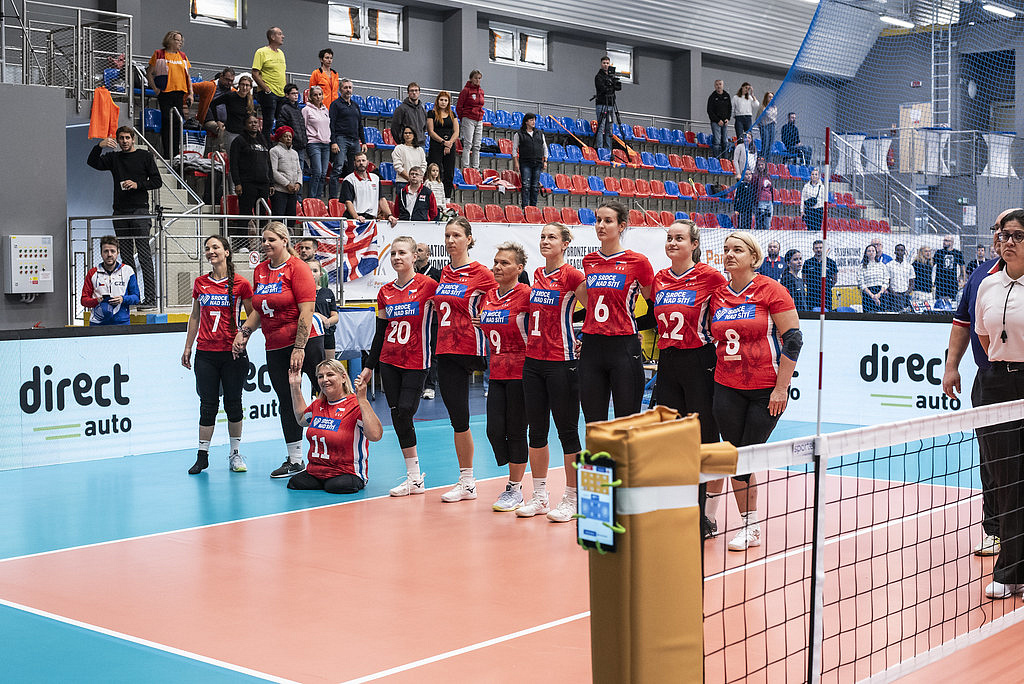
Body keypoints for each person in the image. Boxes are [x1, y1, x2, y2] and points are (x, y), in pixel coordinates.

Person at [708, 231, 800, 551]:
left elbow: (794, 340)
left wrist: (781, 388)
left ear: (754, 257)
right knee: (735, 456)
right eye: (726, 249)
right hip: (726, 385)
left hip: (765, 390)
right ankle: (745, 524)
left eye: (738, 250)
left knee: (745, 456)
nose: (730, 254)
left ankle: (750, 526)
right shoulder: (718, 295)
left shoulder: (771, 289)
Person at [647, 220, 726, 537]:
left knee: (707, 440)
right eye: (669, 238)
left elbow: (727, 312)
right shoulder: (660, 278)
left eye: (679, 238)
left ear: (694, 244)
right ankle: (677, 508)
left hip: (700, 362)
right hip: (668, 362)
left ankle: (707, 515)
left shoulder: (710, 277)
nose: (672, 242)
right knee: (670, 439)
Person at [232, 222, 325, 479]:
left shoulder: (298, 268)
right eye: (263, 240)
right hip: (274, 346)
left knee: (327, 393)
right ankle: (295, 460)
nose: (265, 244)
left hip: (306, 343)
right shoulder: (261, 270)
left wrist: (299, 347)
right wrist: (244, 332)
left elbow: (307, 311)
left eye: (271, 239)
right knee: (286, 400)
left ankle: (337, 450)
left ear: (285, 240)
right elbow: (259, 311)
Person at [943, 222, 1007, 561]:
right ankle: (995, 531)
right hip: (990, 380)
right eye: (998, 230)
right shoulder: (981, 276)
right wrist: (951, 366)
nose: (1002, 237)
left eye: (1012, 232)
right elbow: (962, 323)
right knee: (991, 459)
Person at [516, 223, 586, 520]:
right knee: (536, 431)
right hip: (533, 361)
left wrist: (585, 341)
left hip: (562, 361)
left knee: (567, 432)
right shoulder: (537, 274)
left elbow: (595, 310)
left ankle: (572, 497)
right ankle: (540, 496)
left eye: (552, 237)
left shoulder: (573, 276)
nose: (545, 241)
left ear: (565, 243)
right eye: (543, 237)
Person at [359, 236, 438, 495]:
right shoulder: (385, 292)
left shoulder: (428, 285)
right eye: (393, 253)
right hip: (389, 361)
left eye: (402, 253)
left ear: (414, 256)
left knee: (405, 410)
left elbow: (448, 313)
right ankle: (413, 477)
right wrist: (369, 366)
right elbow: (380, 331)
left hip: (416, 361)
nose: (396, 257)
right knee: (397, 415)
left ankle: (415, 477)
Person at [974, 209, 1024, 598]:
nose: (1009, 242)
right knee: (1005, 481)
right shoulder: (987, 285)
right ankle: (1009, 571)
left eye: (1018, 236)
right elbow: (984, 337)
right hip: (995, 385)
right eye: (1005, 235)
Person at [432, 217, 498, 503]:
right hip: (447, 349)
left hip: (475, 349)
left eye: (456, 235)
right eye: (447, 235)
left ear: (469, 239)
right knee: (458, 418)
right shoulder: (444, 273)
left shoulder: (481, 273)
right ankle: (467, 481)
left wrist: (488, 315)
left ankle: (519, 482)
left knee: (504, 417)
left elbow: (501, 297)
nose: (450, 241)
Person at [577, 201, 653, 445]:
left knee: (627, 425)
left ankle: (628, 471)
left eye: (607, 221)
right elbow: (592, 304)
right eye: (598, 220)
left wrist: (634, 327)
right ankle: (598, 471)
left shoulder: (638, 262)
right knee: (594, 426)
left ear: (621, 226)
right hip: (592, 348)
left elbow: (654, 306)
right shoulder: (589, 261)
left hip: (624, 348)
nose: (600, 225)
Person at [181, 235, 254, 474]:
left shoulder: (241, 284)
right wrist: (188, 346)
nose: (210, 251)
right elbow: (195, 316)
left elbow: (254, 316)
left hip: (232, 355)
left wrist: (243, 336)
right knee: (207, 404)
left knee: (234, 403)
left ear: (227, 252)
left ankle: (235, 454)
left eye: (215, 247)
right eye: (207, 248)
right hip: (205, 353)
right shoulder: (200, 283)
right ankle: (202, 456)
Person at [478, 243, 532, 511]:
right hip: (497, 371)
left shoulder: (527, 295)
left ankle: (515, 488)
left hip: (522, 372)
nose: (497, 267)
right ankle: (513, 473)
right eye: (496, 262)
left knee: (516, 430)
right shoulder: (489, 296)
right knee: (494, 430)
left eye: (505, 263)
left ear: (519, 268)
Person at [87, 126, 161, 308]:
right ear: (118, 140)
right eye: (121, 138)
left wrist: (137, 184)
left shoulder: (144, 156)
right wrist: (99, 146)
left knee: (144, 254)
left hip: (140, 211)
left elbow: (157, 181)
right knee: (126, 258)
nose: (125, 141)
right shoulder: (114, 158)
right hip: (120, 212)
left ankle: (150, 299)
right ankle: (131, 297)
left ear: (133, 139)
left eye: (127, 137)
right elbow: (92, 162)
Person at [286, 359, 383, 494]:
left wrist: (363, 399)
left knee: (336, 486)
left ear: (343, 377)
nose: (325, 379)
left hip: (347, 472)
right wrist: (295, 386)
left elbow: (375, 435)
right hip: (317, 472)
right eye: (320, 376)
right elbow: (302, 420)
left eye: (330, 375)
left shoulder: (354, 405)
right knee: (294, 482)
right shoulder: (318, 404)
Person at [146, 30, 193, 158]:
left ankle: (176, 154)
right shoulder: (159, 54)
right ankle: (167, 154)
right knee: (167, 121)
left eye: (181, 40)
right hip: (165, 92)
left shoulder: (182, 56)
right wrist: (155, 89)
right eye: (177, 40)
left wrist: (191, 93)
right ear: (170, 40)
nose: (180, 43)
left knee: (177, 122)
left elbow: (188, 76)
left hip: (179, 93)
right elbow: (149, 73)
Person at [80, 235, 140, 325]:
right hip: (98, 323)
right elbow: (84, 300)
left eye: (112, 251)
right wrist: (97, 301)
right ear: (101, 253)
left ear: (118, 252)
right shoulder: (92, 273)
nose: (109, 255)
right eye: (106, 251)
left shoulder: (128, 271)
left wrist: (123, 299)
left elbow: (136, 297)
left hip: (121, 322)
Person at [229, 114, 273, 236]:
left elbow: (268, 163)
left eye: (255, 122)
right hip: (247, 183)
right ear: (245, 125)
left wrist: (271, 182)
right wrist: (237, 183)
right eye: (250, 122)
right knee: (245, 214)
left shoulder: (263, 140)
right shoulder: (239, 141)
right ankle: (242, 241)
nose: (253, 124)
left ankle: (263, 240)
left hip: (263, 183)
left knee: (262, 215)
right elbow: (233, 163)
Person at [339, 152, 398, 226]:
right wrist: (356, 217)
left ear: (367, 162)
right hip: (354, 219)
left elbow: (381, 199)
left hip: (371, 219)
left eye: (363, 160)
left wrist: (389, 215)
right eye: (358, 161)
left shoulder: (376, 178)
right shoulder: (348, 180)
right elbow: (348, 202)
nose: (361, 163)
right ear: (354, 163)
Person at [329, 78, 366, 196]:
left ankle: (350, 197)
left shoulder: (355, 105)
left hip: (355, 141)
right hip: (341, 139)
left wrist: (363, 142)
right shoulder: (335, 105)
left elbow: (360, 125)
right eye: (345, 87)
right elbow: (331, 124)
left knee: (353, 170)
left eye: (350, 87)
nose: (348, 90)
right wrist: (333, 142)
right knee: (338, 168)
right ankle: (333, 198)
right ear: (340, 90)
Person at [415, 242, 442, 401]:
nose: (417, 253)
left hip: (433, 320)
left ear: (428, 254)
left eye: (420, 250)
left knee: (432, 353)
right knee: (417, 352)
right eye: (415, 250)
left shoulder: (436, 274)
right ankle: (418, 385)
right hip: (416, 319)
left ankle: (430, 386)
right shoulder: (410, 274)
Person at [252, 26, 287, 139]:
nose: (283, 36)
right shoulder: (261, 52)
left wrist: (286, 89)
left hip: (281, 93)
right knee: (269, 122)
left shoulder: (281, 53)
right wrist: (266, 89)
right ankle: (265, 145)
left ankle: (279, 145)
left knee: (282, 122)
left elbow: (283, 73)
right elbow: (255, 73)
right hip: (269, 93)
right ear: (272, 37)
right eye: (280, 34)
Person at [426, 91, 459, 201]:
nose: (443, 102)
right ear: (437, 101)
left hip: (450, 146)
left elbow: (456, 132)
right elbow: (431, 131)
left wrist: (449, 144)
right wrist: (443, 142)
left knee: (449, 172)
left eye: (445, 100)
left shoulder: (452, 114)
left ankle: (447, 198)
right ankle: (434, 196)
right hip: (436, 145)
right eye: (441, 100)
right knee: (435, 170)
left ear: (448, 102)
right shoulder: (431, 113)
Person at [513, 112, 548, 209]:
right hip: (525, 163)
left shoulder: (540, 133)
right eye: (531, 120)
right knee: (526, 185)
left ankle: (533, 207)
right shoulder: (519, 134)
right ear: (526, 122)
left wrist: (545, 160)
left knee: (535, 186)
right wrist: (516, 162)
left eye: (534, 120)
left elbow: (544, 147)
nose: (533, 122)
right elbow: (514, 149)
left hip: (538, 162)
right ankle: (525, 207)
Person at [303, 85, 332, 201]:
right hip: (313, 143)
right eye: (315, 95)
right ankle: (311, 199)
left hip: (326, 144)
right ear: (310, 97)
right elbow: (303, 126)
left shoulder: (325, 110)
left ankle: (318, 200)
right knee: (317, 172)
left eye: (320, 94)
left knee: (323, 173)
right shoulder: (306, 110)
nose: (318, 97)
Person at [209, 74, 255, 143]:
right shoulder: (230, 96)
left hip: (244, 134)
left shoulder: (250, 100)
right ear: (238, 85)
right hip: (231, 132)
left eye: (247, 85)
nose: (244, 87)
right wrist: (217, 120)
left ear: (250, 87)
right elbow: (213, 104)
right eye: (242, 84)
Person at [270, 126, 301, 224]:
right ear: (280, 138)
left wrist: (298, 183)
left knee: (291, 220)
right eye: (285, 136)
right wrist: (287, 184)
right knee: (278, 220)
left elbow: (299, 171)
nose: (288, 138)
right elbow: (273, 171)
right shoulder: (274, 151)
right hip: (280, 191)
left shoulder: (295, 153)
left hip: (292, 191)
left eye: (290, 137)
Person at [308, 259, 338, 360]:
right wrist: (319, 316)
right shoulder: (301, 292)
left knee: (329, 364)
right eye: (309, 271)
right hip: (310, 335)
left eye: (315, 271)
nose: (312, 274)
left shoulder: (328, 292)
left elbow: (335, 316)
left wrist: (327, 321)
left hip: (327, 334)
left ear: (321, 274)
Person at [456, 70, 485, 169]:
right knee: (468, 144)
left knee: (477, 145)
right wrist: (463, 117)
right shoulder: (465, 91)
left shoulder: (481, 91)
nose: (478, 80)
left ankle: (476, 167)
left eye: (479, 78)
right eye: (476, 78)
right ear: (471, 79)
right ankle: (466, 167)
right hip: (468, 118)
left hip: (479, 119)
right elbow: (459, 106)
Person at [594, 56, 621, 151]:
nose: (606, 65)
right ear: (601, 64)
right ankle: (600, 149)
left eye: (607, 63)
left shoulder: (611, 76)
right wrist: (610, 85)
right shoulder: (598, 77)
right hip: (601, 104)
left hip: (610, 105)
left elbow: (618, 87)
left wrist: (613, 82)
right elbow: (603, 89)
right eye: (604, 63)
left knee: (609, 128)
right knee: (601, 128)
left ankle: (608, 149)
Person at [391, 125, 427, 196]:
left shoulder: (420, 150)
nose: (407, 135)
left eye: (410, 133)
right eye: (405, 133)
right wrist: (410, 179)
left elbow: (423, 165)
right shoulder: (399, 148)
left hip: (418, 184)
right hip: (403, 183)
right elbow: (398, 167)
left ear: (414, 135)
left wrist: (417, 178)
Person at [804, 239, 838, 311]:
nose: (818, 250)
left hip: (826, 295)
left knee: (827, 313)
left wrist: (827, 286)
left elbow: (835, 279)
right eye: (816, 248)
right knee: (812, 314)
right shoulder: (808, 262)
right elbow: (804, 278)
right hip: (811, 295)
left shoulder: (831, 262)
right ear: (813, 249)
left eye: (820, 248)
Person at [275, 83, 307, 157]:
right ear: (287, 95)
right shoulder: (284, 108)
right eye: (293, 93)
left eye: (297, 93)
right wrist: (292, 138)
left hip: (301, 144)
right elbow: (282, 125)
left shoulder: (298, 109)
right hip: (292, 144)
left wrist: (304, 140)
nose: (296, 95)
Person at [390, 82, 427, 147]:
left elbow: (424, 128)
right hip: (407, 145)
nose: (414, 93)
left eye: (416, 90)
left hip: (421, 145)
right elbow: (394, 128)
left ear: (419, 92)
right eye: (412, 91)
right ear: (408, 93)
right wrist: (401, 143)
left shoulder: (423, 110)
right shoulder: (401, 109)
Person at [858, 244, 889, 313]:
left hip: (880, 294)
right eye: (869, 251)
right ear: (866, 253)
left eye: (873, 251)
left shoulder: (882, 265)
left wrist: (879, 294)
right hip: (867, 295)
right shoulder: (861, 267)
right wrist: (872, 296)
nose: (871, 252)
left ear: (876, 252)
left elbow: (886, 282)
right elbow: (861, 283)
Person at [934, 235, 965, 301]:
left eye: (946, 241)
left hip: (952, 283)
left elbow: (962, 266)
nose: (944, 242)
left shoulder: (957, 253)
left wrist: (963, 279)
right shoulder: (939, 252)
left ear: (951, 242)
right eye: (944, 240)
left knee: (952, 302)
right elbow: (932, 264)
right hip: (940, 283)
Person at [707, 79, 731, 157]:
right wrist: (717, 120)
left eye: (720, 84)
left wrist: (728, 118)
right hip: (715, 122)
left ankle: (725, 159)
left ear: (723, 85)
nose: (718, 86)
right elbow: (709, 111)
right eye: (717, 84)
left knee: (725, 141)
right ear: (715, 86)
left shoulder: (727, 96)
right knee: (717, 141)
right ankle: (716, 159)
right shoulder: (712, 97)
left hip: (725, 122)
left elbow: (729, 108)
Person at [887, 244, 914, 312]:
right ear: (894, 252)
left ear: (904, 252)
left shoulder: (909, 266)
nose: (900, 252)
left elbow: (912, 282)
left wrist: (907, 293)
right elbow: (887, 282)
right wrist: (893, 293)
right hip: (892, 297)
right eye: (898, 250)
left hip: (905, 296)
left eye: (902, 250)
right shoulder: (889, 265)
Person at [751, 157, 773, 232]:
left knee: (767, 223)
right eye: (759, 165)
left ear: (765, 165)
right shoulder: (755, 176)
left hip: (769, 201)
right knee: (759, 223)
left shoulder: (768, 176)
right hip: (760, 201)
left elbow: (771, 189)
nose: (760, 166)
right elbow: (753, 188)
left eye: (762, 165)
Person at [758, 91, 777, 161]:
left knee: (770, 144)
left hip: (772, 126)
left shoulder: (774, 107)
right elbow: (758, 118)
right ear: (766, 98)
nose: (771, 98)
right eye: (769, 97)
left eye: (772, 97)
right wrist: (761, 125)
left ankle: (768, 160)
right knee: (765, 143)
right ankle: (762, 159)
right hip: (764, 126)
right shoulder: (763, 107)